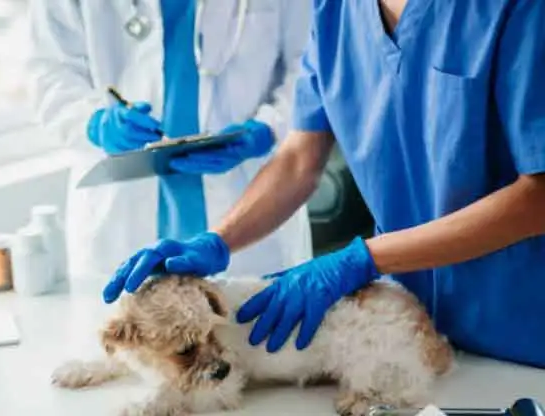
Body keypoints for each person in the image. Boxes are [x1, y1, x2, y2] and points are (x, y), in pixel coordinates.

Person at [104, 0, 545, 369]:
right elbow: (301, 157)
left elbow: (539, 196)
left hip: (521, 332)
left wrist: (363, 259)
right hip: (409, 330)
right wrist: (217, 241)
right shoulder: (337, 11)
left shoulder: (517, 9)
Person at [26, 1, 314, 283]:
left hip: (249, 209)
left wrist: (268, 128)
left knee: (252, 320)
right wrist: (95, 123)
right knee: (126, 324)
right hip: (119, 216)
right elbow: (49, 74)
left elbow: (311, 65)